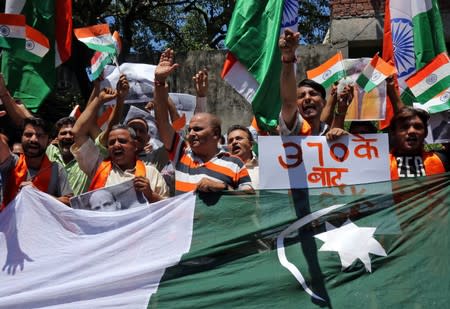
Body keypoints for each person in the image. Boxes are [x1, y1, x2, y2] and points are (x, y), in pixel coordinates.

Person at [153, 48, 253, 194]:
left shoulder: (235, 163)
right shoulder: (181, 154)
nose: (191, 134)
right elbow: (162, 121)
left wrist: (224, 188)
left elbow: (250, 198)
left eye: (198, 129)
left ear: (216, 134)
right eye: (189, 130)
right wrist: (160, 81)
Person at [71, 87, 170, 203]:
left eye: (122, 141)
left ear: (135, 145)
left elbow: (167, 210)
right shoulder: (97, 166)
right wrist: (99, 100)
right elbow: (77, 133)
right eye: (112, 142)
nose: (116, 145)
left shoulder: (151, 173)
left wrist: (150, 195)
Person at [278, 29, 353, 136]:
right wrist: (288, 57)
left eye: (313, 94)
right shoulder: (291, 129)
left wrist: (344, 139)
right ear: (296, 105)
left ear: (323, 103)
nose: (307, 98)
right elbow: (288, 102)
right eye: (301, 96)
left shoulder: (327, 131)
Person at [0, 117, 73, 210]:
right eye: (28, 134)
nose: (33, 139)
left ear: (49, 141)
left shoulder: (57, 169)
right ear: (21, 137)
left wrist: (38, 195)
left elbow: (70, 203)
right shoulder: (12, 163)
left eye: (40, 136)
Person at [389, 107, 449, 179]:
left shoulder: (443, 160)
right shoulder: (381, 164)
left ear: (426, 132)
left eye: (418, 127)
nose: (412, 131)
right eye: (404, 127)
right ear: (393, 133)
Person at [46, 116, 90, 196]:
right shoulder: (48, 151)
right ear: (57, 138)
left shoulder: (88, 158)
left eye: (72, 133)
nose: (68, 137)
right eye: (63, 133)